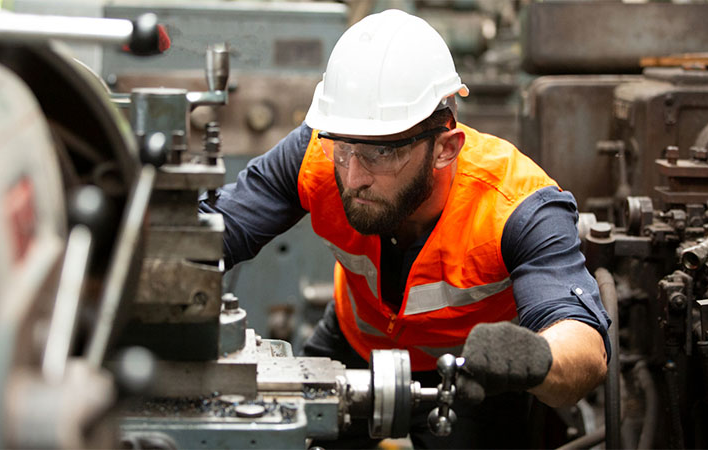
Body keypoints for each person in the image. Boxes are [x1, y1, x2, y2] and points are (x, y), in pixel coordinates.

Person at [200, 9, 610, 448]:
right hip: (353, 345)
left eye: (381, 154)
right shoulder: (316, 155)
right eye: (343, 147)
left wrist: (534, 359)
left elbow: (583, 347)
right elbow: (214, 233)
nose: (354, 175)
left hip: (473, 377)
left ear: (445, 148)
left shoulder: (517, 206)